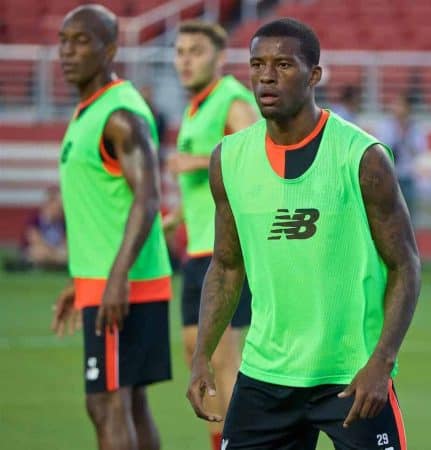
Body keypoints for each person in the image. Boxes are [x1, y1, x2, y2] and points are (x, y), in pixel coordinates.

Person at [187, 18, 421, 450]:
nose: (266, 76)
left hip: (351, 376)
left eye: (283, 65)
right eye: (257, 64)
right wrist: (203, 353)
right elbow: (226, 265)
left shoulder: (363, 158)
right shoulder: (229, 159)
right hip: (264, 376)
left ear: (314, 75)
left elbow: (405, 265)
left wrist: (381, 363)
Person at [51, 5, 172, 450]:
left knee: (106, 403)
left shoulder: (120, 115)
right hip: (102, 279)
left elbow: (149, 196)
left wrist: (117, 277)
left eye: (81, 41)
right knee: (129, 401)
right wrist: (80, 280)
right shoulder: (91, 110)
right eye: (64, 41)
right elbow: (105, 206)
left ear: (111, 49)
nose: (68, 51)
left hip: (123, 282)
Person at [164, 20, 258, 450]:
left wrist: (200, 160)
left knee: (223, 358)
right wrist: (173, 218)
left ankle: (242, 442)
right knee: (193, 352)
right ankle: (219, 440)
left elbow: (257, 155)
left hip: (228, 253)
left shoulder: (232, 99)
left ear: (219, 58)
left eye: (195, 52)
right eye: (180, 52)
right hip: (197, 248)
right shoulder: (193, 108)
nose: (185, 60)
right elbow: (210, 191)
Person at [376, 93, 427, 221]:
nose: (396, 108)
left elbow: (419, 150)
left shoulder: (415, 127)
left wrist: (406, 136)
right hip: (389, 175)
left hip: (407, 174)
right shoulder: (386, 125)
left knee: (408, 216)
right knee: (388, 215)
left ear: (408, 108)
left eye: (400, 105)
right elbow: (381, 147)